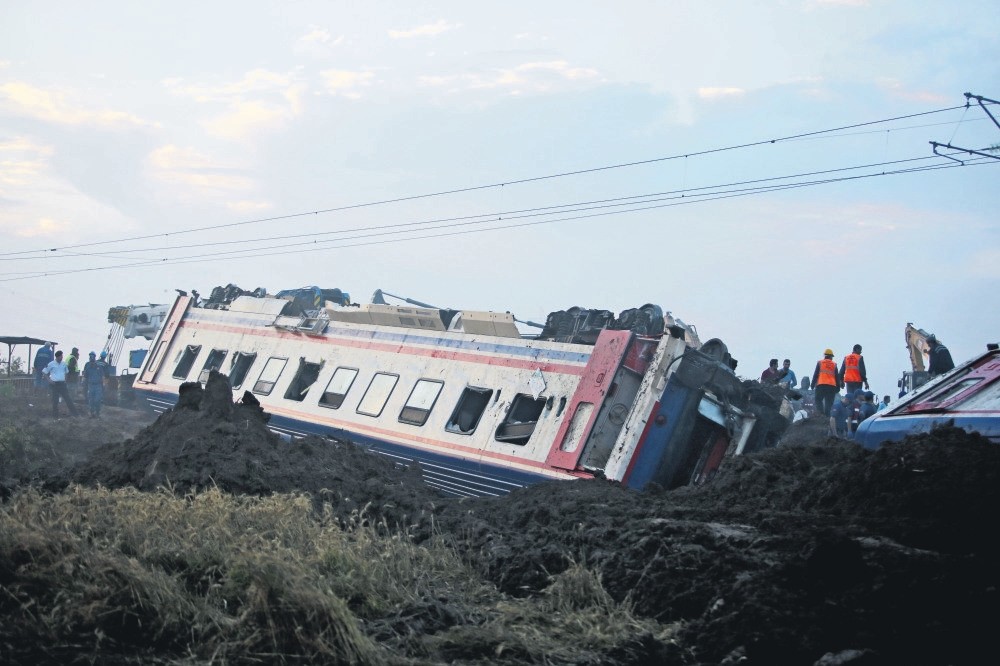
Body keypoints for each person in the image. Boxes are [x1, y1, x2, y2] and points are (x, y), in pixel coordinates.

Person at [42, 349, 79, 418]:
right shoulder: (51, 364)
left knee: (68, 399)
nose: (62, 357)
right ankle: (55, 417)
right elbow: (44, 372)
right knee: (55, 401)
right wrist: (49, 380)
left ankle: (75, 415)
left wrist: (65, 379)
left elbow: (67, 372)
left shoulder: (64, 364)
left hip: (62, 384)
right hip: (54, 384)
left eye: (62, 356)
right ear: (57, 357)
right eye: (61, 356)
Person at [811, 348, 842, 417]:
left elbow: (815, 374)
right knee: (829, 402)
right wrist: (838, 387)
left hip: (821, 385)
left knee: (818, 399)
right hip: (831, 386)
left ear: (825, 355)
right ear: (831, 356)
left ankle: (821, 414)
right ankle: (827, 416)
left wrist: (812, 384)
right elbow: (837, 377)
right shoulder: (834, 364)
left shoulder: (820, 362)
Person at [82, 351, 109, 417]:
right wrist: (83, 384)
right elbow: (85, 377)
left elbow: (103, 376)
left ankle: (97, 412)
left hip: (98, 385)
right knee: (91, 400)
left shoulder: (99, 367)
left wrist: (104, 385)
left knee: (97, 399)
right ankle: (92, 413)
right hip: (90, 385)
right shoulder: (88, 366)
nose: (91, 359)